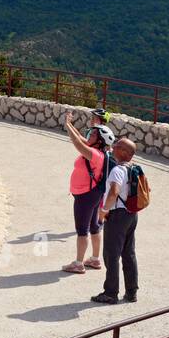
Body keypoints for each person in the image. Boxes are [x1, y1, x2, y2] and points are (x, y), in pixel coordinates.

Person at [61, 110, 114, 274]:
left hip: (85, 196)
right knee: (95, 227)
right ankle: (95, 259)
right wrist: (70, 125)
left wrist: (67, 125)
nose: (89, 136)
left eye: (92, 135)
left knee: (82, 230)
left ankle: (78, 263)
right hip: (93, 194)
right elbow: (81, 140)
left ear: (99, 141)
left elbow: (77, 144)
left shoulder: (95, 154)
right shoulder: (99, 151)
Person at [91, 137, 139, 305]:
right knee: (128, 253)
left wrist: (103, 211)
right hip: (131, 215)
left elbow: (114, 192)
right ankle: (131, 292)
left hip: (117, 215)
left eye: (117, 146)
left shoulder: (118, 170)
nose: (113, 147)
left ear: (124, 153)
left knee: (111, 255)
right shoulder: (135, 168)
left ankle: (111, 293)